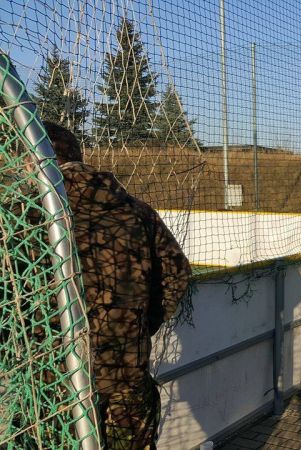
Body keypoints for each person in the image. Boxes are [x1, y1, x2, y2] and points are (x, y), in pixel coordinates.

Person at [44, 122, 192, 449]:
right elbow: (177, 272)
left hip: (56, 383)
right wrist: (139, 325)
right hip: (127, 374)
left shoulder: (30, 215)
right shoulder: (135, 210)